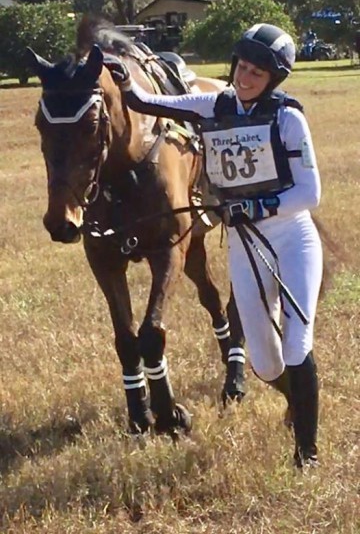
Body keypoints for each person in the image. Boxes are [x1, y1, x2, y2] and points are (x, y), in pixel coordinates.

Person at [116, 23, 323, 469]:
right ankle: (294, 398)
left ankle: (307, 453)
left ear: (274, 79)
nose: (245, 78)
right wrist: (115, 66)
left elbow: (310, 194)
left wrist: (258, 205)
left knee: (296, 345)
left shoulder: (289, 119)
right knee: (265, 364)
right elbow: (147, 100)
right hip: (247, 246)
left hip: (292, 239)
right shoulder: (214, 105)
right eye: (242, 68)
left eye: (257, 73)